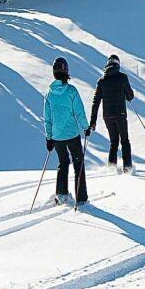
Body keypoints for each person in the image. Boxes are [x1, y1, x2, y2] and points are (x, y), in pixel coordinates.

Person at [44, 57, 89, 206]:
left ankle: (62, 196)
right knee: (78, 163)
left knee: (63, 163)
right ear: (66, 72)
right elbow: (79, 112)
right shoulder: (71, 91)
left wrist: (48, 138)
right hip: (71, 134)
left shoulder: (49, 94)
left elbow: (47, 118)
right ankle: (81, 198)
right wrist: (86, 127)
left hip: (57, 137)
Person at [89, 54, 135, 173]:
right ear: (118, 64)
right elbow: (130, 96)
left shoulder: (102, 81)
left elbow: (96, 101)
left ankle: (112, 168)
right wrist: (125, 94)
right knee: (124, 140)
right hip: (120, 114)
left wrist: (93, 121)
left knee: (113, 142)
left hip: (108, 116)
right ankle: (127, 168)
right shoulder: (122, 77)